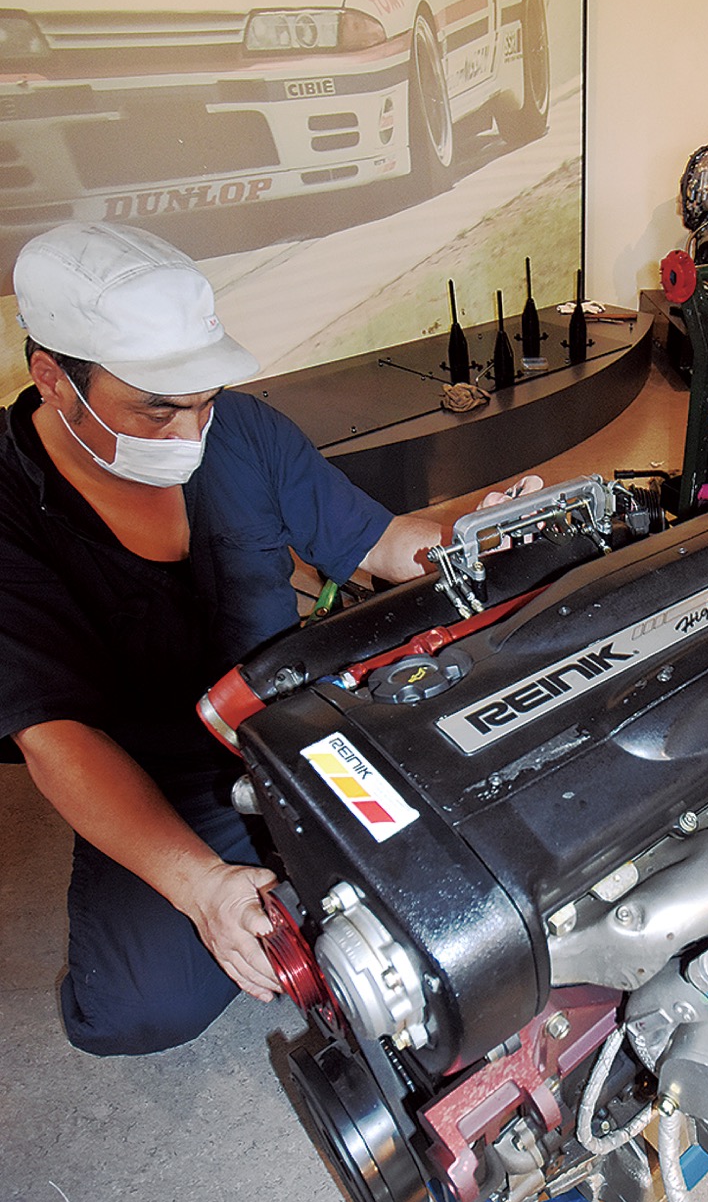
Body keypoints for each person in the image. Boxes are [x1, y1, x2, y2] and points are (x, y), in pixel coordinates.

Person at [0, 221, 454, 1055]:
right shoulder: (7, 509)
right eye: (158, 408)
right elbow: (56, 737)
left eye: (203, 399)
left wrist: (477, 543)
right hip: (161, 779)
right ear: (54, 380)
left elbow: (384, 544)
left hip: (298, 729)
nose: (192, 433)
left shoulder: (241, 430)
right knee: (141, 1008)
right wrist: (203, 886)